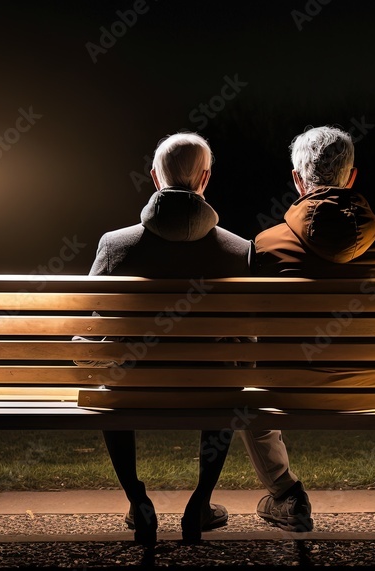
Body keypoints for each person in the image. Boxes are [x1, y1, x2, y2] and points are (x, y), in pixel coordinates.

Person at [242, 125, 375, 532]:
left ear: (296, 179)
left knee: (247, 389)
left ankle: (285, 493)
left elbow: (250, 330)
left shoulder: (265, 247)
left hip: (291, 387)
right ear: (352, 176)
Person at [87, 132, 252, 545]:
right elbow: (249, 339)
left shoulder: (115, 246)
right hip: (213, 390)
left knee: (110, 385)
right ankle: (200, 503)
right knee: (228, 378)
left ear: (155, 179)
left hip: (131, 391)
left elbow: (87, 331)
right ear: (206, 179)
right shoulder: (238, 251)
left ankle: (137, 500)